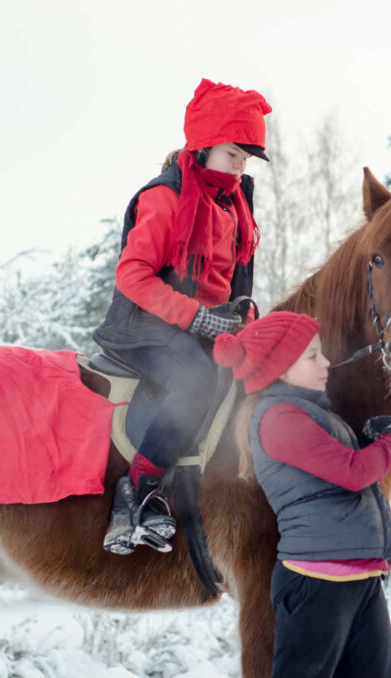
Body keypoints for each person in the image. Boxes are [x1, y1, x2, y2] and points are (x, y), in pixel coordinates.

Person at [94, 78, 272, 555]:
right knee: (197, 380)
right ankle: (138, 492)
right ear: (205, 146)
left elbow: (230, 285)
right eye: (234, 153)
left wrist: (245, 319)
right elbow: (133, 276)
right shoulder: (165, 198)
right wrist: (195, 318)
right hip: (146, 326)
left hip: (206, 326)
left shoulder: (234, 206)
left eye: (246, 158)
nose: (240, 165)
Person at [213, 311, 391, 678]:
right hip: (316, 581)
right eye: (312, 356)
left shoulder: (312, 413)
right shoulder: (278, 417)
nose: (326, 362)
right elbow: (354, 472)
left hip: (358, 576)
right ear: (281, 368)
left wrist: (383, 437)